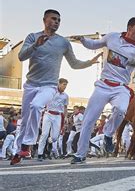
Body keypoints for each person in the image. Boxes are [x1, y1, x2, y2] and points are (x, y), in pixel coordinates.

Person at [10, 9, 101, 165]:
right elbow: (21, 56)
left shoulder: (63, 43)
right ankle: (19, 151)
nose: (57, 22)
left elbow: (74, 64)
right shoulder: (33, 37)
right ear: (45, 20)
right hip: (31, 85)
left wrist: (89, 63)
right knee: (25, 121)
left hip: (49, 86)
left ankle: (27, 145)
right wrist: (35, 46)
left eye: (59, 20)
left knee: (37, 105)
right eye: (53, 19)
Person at [70, 17, 135, 164]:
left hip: (121, 87)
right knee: (88, 120)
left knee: (121, 109)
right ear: (129, 27)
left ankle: (108, 134)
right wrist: (83, 40)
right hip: (103, 85)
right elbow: (94, 44)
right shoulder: (112, 37)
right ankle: (80, 154)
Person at [36, 78, 69, 161]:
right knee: (44, 134)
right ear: (59, 84)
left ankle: (49, 141)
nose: (65, 86)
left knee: (54, 137)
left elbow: (65, 108)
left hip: (58, 116)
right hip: (48, 114)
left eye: (66, 85)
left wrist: (65, 117)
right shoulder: (52, 92)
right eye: (63, 84)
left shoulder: (66, 96)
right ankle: (40, 154)